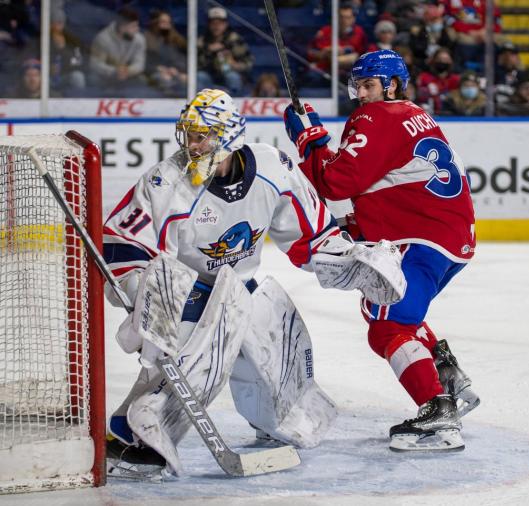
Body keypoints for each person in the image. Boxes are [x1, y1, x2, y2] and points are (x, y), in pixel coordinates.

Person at [103, 88, 405, 475]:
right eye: (188, 135)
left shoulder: (273, 168)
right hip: (189, 296)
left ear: (228, 137)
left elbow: (309, 235)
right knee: (193, 369)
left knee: (285, 378)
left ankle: (270, 426)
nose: (191, 145)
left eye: (202, 136)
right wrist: (145, 297)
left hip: (242, 287)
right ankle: (132, 438)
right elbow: (124, 245)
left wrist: (350, 258)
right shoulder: (167, 183)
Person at [283, 49, 480, 452]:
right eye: (357, 86)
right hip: (448, 239)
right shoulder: (415, 116)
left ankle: (437, 409)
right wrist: (358, 225)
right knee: (390, 314)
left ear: (391, 85)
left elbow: (337, 182)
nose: (361, 94)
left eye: (369, 85)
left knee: (388, 326)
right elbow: (394, 183)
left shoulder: (377, 117)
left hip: (422, 239)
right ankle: (448, 379)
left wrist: (309, 141)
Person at [89, 6, 147, 96]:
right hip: (105, 76)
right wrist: (114, 71)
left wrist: (128, 70)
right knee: (92, 78)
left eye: (137, 25)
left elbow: (140, 64)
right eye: (133, 26)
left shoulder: (139, 39)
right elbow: (95, 64)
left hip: (126, 75)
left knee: (142, 80)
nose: (137, 29)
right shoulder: (103, 39)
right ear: (122, 27)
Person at [197, 6, 253, 96]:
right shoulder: (202, 41)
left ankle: (234, 102)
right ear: (209, 25)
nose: (216, 26)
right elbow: (196, 65)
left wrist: (234, 64)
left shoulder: (235, 40)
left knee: (232, 77)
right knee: (199, 76)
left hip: (230, 73)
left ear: (225, 24)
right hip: (209, 75)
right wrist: (208, 51)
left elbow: (248, 63)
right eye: (213, 23)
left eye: (219, 23)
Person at [145, 10, 187, 97]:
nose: (166, 25)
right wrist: (158, 68)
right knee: (164, 80)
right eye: (163, 22)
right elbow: (144, 62)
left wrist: (178, 69)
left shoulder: (175, 39)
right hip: (153, 73)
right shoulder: (146, 38)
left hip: (173, 72)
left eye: (168, 22)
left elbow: (180, 59)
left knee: (189, 80)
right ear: (154, 23)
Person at [415, 46, 460, 115]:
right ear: (434, 60)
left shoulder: (456, 79)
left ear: (451, 61)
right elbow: (419, 95)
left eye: (446, 59)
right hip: (429, 113)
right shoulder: (424, 77)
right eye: (439, 59)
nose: (442, 62)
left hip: (451, 114)